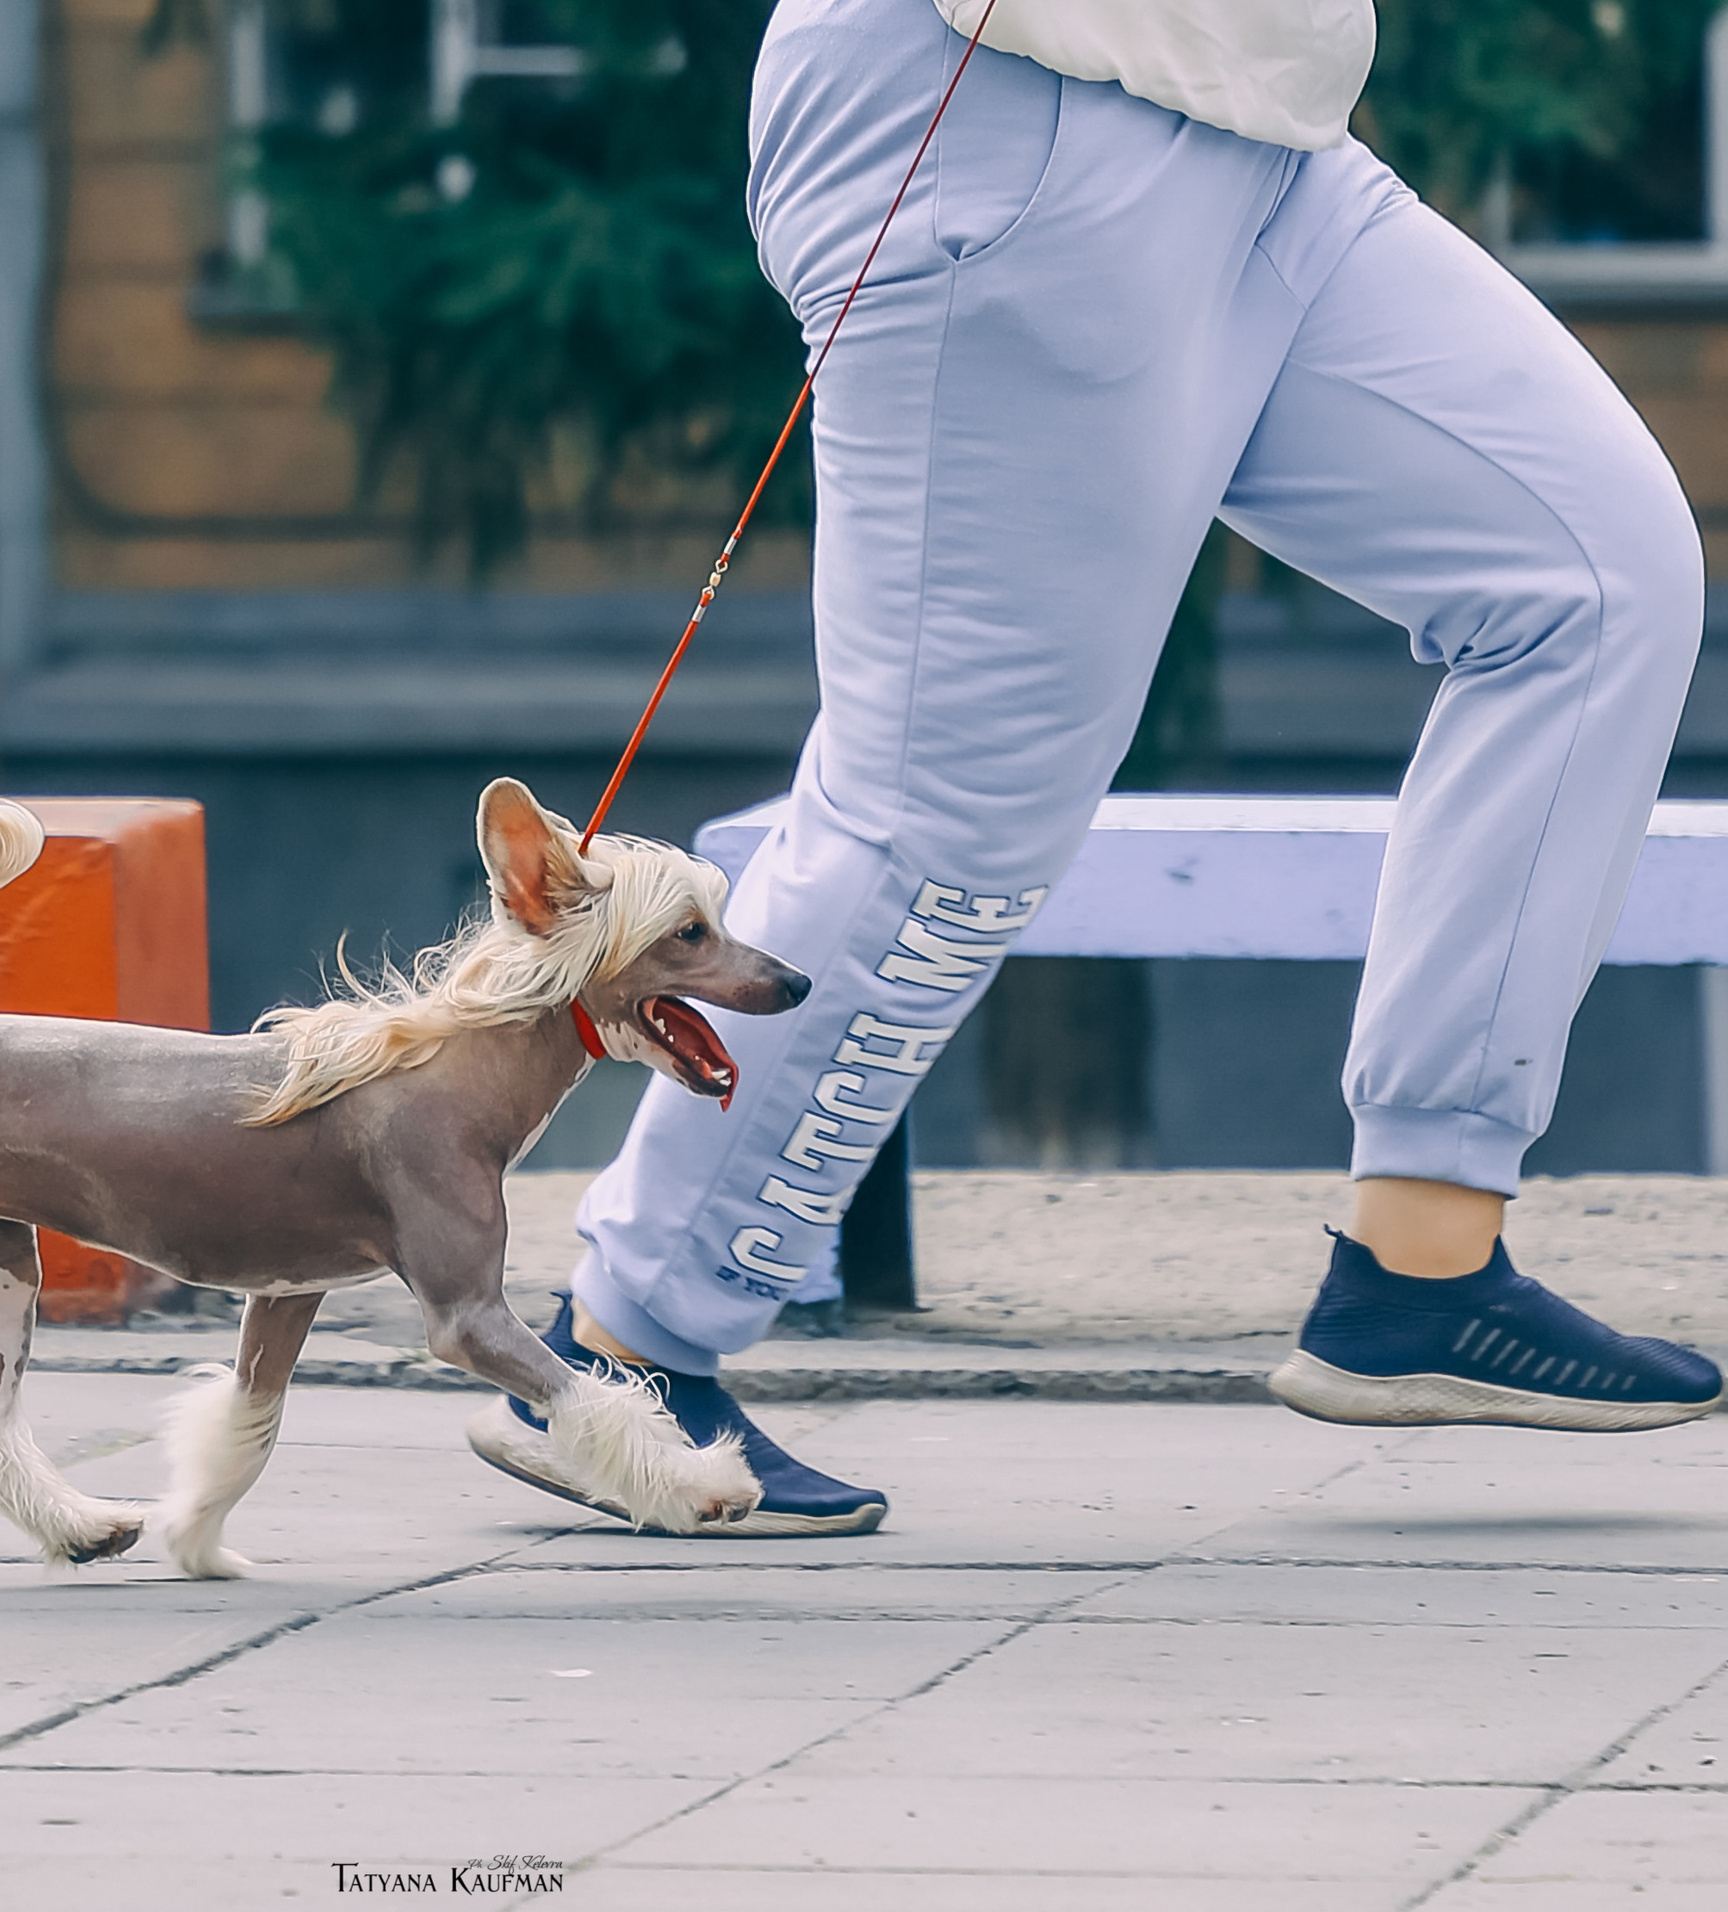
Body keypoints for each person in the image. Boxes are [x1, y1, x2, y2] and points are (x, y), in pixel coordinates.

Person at [468, 0, 1727, 1534]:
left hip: (1271, 138)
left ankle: (1422, 1257)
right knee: (945, 809)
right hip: (1005, 112)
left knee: (1593, 582)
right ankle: (632, 1352)